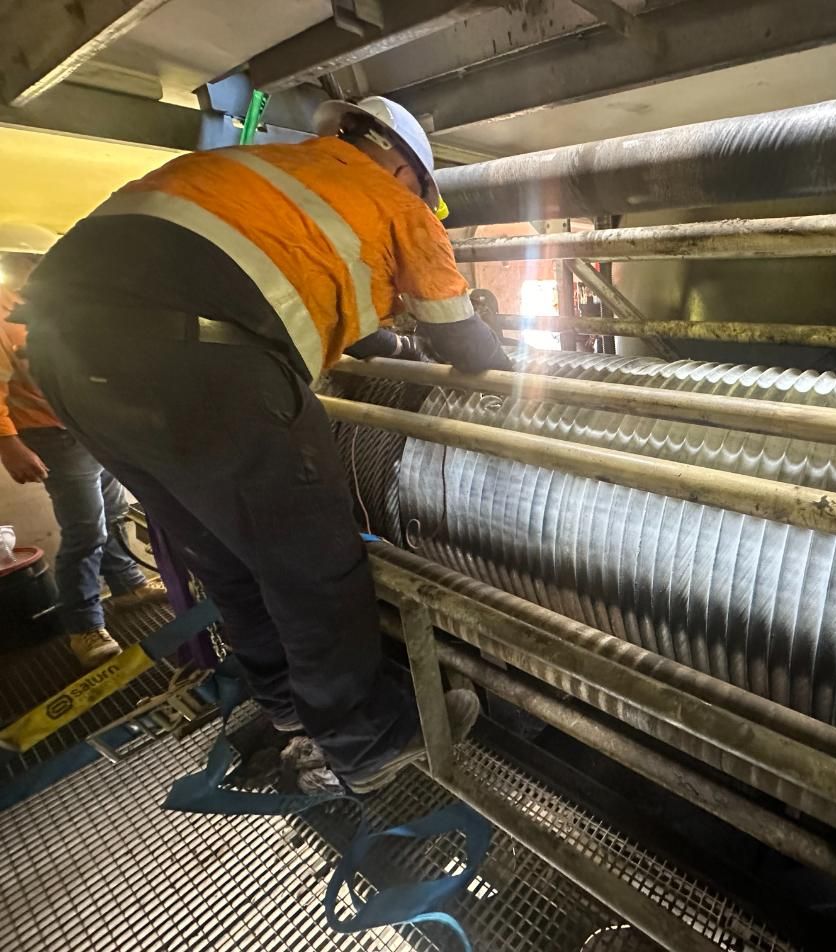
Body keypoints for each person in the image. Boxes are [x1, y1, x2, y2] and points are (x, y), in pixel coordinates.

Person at [21, 97, 508, 794]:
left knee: (225, 552)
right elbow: (464, 343)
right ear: (404, 170)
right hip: (199, 358)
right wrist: (505, 364)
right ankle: (363, 737)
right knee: (313, 558)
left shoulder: (256, 172)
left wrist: (392, 342)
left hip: (66, 360)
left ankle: (289, 713)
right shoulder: (393, 204)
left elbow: (322, 297)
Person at [0, 223, 165, 668]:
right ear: (14, 261)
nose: (37, 267)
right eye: (29, 259)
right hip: (52, 434)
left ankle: (127, 584)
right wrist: (8, 443)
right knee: (85, 530)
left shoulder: (63, 302)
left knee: (111, 509)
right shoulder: (3, 313)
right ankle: (84, 626)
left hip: (91, 426)